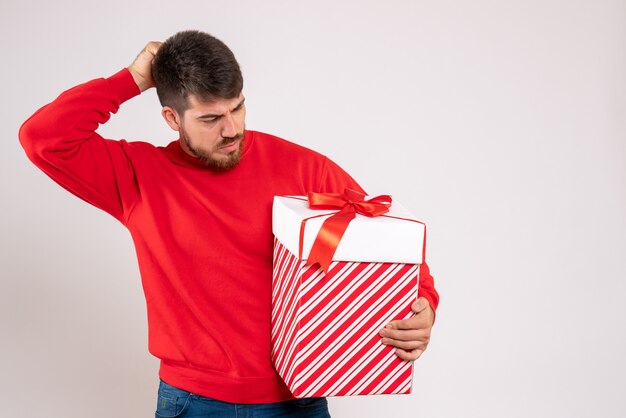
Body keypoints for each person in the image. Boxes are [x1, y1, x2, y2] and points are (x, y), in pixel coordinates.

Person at [19, 30, 439, 418]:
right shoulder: (137, 177)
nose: (232, 128)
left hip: (299, 398)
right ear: (172, 118)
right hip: (193, 402)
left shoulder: (305, 169)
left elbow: (387, 246)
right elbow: (42, 137)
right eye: (210, 118)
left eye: (237, 107)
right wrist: (130, 79)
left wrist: (423, 307)